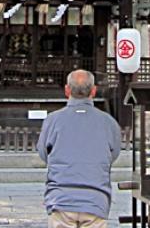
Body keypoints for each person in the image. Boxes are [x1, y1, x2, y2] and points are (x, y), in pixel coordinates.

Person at [37, 69, 121, 228]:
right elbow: (114, 154)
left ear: (67, 90)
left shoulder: (52, 120)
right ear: (94, 91)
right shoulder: (108, 122)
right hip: (95, 199)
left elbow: (44, 153)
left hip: (61, 197)